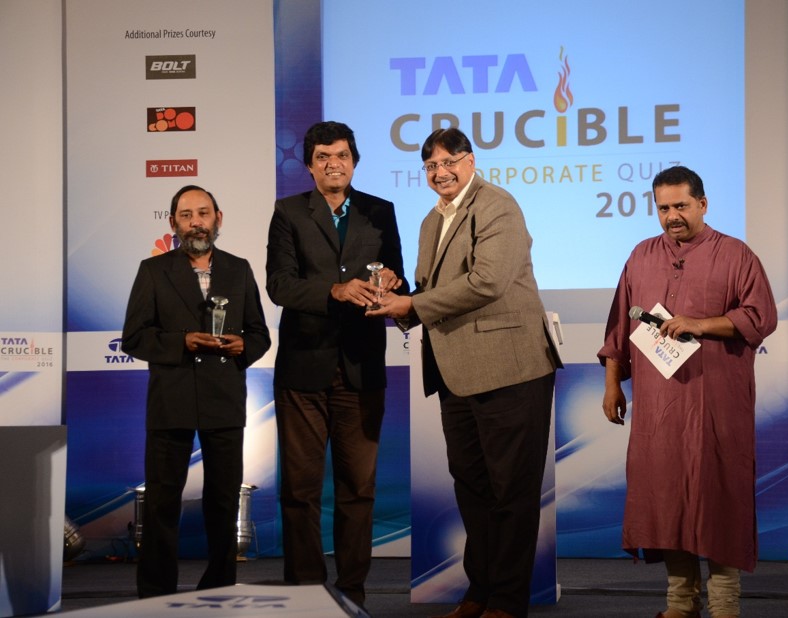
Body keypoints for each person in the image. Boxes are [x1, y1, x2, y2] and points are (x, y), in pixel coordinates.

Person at [369, 127, 562, 618]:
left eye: (449, 161)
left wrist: (413, 304)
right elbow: (433, 290)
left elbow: (487, 282)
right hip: (455, 371)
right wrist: (398, 297)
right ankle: (479, 591)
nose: (441, 172)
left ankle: (508, 601)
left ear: (470, 161)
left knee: (511, 492)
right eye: (431, 166)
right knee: (472, 490)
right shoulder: (431, 221)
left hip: (510, 369)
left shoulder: (497, 205)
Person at [598, 165, 778, 618]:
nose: (672, 216)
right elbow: (619, 327)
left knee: (720, 497)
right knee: (665, 499)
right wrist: (612, 385)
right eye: (663, 208)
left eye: (680, 205)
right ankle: (680, 604)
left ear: (702, 204)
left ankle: (724, 606)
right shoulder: (641, 256)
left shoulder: (736, 255)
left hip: (717, 403)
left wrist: (701, 324)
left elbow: (760, 316)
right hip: (658, 407)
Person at [265, 120, 407, 608]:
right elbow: (280, 285)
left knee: (358, 490)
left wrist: (392, 282)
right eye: (323, 157)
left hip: (362, 369)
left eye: (342, 155)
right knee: (300, 490)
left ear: (354, 161)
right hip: (303, 370)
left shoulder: (380, 211)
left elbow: (400, 279)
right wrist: (335, 291)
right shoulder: (288, 213)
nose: (333, 164)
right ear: (309, 166)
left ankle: (352, 594)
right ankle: (306, 594)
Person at [122, 185, 271, 598]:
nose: (195, 223)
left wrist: (244, 346)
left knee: (222, 502)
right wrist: (182, 341)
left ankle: (219, 587)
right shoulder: (153, 270)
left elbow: (259, 333)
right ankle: (156, 593)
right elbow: (134, 337)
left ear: (218, 219)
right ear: (173, 223)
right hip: (171, 400)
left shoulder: (239, 269)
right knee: (162, 502)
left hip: (224, 399)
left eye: (203, 213)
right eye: (186, 216)